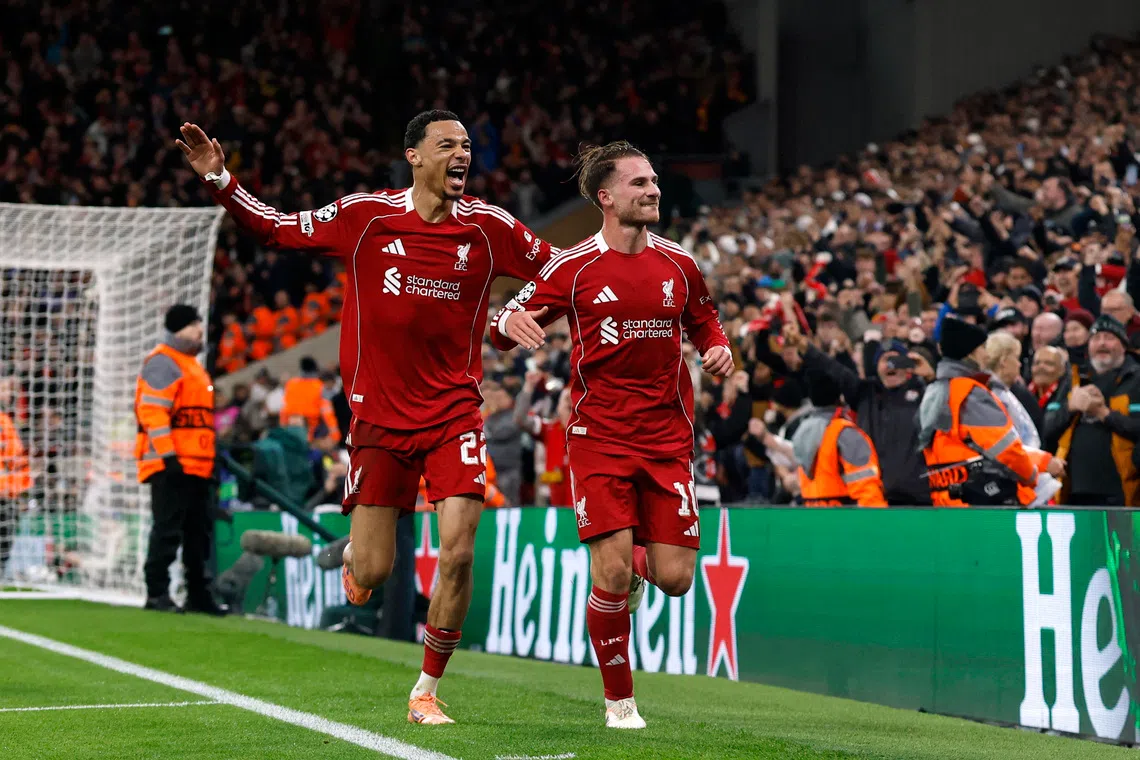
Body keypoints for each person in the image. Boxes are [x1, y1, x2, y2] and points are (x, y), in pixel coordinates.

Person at [178, 110, 555, 725]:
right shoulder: (365, 217)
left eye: (466, 146)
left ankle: (426, 689)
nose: (461, 155)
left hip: (455, 409)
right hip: (378, 419)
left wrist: (509, 316)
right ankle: (355, 560)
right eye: (446, 145)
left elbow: (562, 271)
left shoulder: (490, 228)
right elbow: (277, 229)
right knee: (376, 570)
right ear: (413, 155)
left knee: (458, 552)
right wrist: (221, 179)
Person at [489, 141, 733, 728]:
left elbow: (703, 318)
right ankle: (620, 702)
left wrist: (717, 346)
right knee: (611, 574)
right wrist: (505, 322)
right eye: (638, 183)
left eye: (653, 181)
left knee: (674, 579)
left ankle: (640, 568)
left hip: (669, 439)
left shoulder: (680, 263)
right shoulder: (573, 268)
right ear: (606, 197)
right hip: (598, 438)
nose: (652, 190)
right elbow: (505, 322)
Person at [134, 304, 226, 615]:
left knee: (198, 535)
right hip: (173, 463)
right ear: (178, 329)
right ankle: (157, 593)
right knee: (168, 530)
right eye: (194, 325)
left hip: (197, 464)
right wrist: (168, 456)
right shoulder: (164, 362)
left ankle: (199, 595)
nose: (200, 330)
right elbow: (153, 412)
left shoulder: (191, 365)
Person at [788, 331, 928, 505]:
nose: (890, 365)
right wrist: (805, 347)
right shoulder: (865, 394)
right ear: (876, 366)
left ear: (908, 365)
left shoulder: (925, 394)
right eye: (885, 360)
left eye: (896, 359)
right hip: (876, 499)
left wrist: (930, 376)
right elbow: (833, 368)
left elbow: (947, 401)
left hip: (920, 502)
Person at [916, 317, 1042, 506]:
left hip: (945, 498)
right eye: (983, 348)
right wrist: (1032, 475)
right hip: (979, 501)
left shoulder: (933, 390)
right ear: (971, 353)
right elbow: (1005, 449)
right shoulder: (970, 392)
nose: (986, 354)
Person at [1048, 315, 1140, 505]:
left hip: (1123, 491)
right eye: (1096, 338)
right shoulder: (1073, 378)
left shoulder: (1136, 379)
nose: (1102, 344)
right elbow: (1047, 428)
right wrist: (1070, 407)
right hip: (1074, 489)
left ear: (1123, 345)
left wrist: (1104, 414)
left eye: (1109, 338)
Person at [789, 370, 886, 507]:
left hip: (813, 519)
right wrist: (879, 523)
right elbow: (866, 486)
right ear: (840, 396)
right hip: (844, 520)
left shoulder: (801, 432)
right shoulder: (844, 432)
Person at [0, 375, 31, 577]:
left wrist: (21, 489)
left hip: (8, 491)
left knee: (6, 537)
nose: (8, 394)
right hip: (4, 490)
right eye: (4, 389)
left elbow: (16, 458)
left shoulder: (5, 421)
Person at [279, 356, 340, 448]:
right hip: (312, 431)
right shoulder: (319, 386)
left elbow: (284, 409)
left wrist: (283, 429)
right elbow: (327, 412)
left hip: (291, 431)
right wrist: (335, 436)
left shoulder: (291, 384)